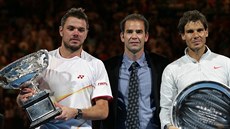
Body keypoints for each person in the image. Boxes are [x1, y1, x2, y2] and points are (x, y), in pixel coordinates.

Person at [17, 7, 113, 129]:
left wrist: (76, 112)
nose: (76, 33)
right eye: (71, 28)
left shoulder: (95, 64)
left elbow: (102, 111)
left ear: (86, 33)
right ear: (61, 31)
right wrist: (21, 99)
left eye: (81, 30)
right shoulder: (42, 61)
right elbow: (24, 97)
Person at [159, 10, 230, 129]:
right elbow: (166, 108)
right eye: (190, 31)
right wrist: (169, 126)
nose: (196, 35)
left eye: (200, 30)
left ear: (206, 32)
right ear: (182, 35)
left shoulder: (226, 63)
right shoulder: (171, 69)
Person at [99, 13, 169, 129]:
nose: (134, 36)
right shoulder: (108, 67)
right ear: (122, 36)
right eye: (129, 32)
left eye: (139, 32)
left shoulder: (161, 65)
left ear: (146, 36)